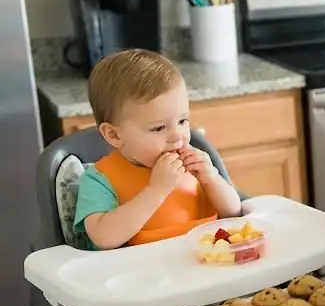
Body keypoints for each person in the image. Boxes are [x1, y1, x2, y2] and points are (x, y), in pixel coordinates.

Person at [73, 49, 242, 250]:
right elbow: (103, 237)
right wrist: (156, 190)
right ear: (114, 135)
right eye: (159, 128)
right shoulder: (99, 180)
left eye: (182, 121)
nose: (177, 135)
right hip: (142, 276)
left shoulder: (195, 167)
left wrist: (211, 178)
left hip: (206, 265)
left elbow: (234, 212)